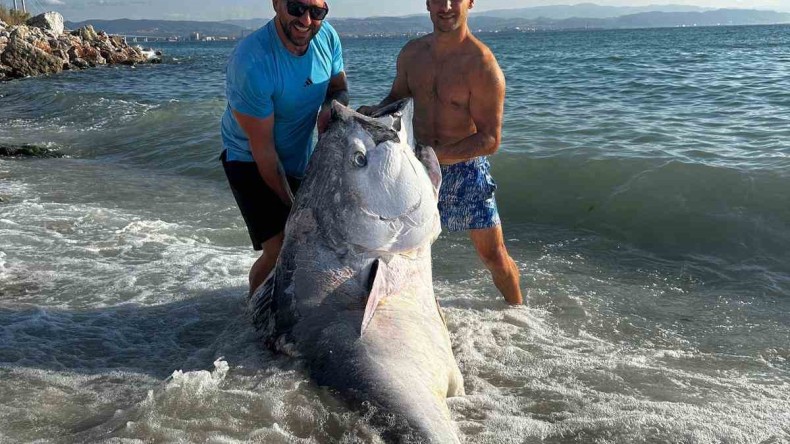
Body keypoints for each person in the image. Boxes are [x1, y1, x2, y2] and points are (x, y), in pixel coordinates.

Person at [358, 0, 522, 305]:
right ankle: (401, 316)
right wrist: (373, 112)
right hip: (414, 168)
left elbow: (489, 139)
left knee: (493, 255)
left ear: (470, 3)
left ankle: (518, 313)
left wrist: (436, 156)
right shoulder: (412, 54)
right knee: (398, 251)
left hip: (464, 168)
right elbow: (397, 97)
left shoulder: (482, 65)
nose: (445, 6)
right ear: (427, 4)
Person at [220, 0, 348, 295]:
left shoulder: (327, 37)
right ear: (276, 3)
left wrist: (329, 109)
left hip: (298, 157)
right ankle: (254, 310)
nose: (306, 20)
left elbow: (338, 87)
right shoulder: (251, 62)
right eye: (296, 7)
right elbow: (263, 152)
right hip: (249, 159)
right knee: (281, 250)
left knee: (308, 247)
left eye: (316, 12)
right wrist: (297, 211)